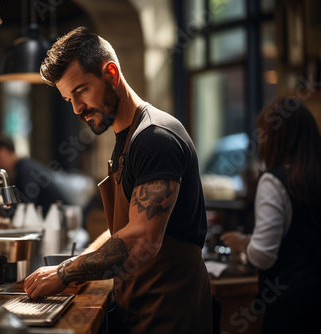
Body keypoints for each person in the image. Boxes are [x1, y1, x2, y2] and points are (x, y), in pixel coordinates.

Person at [23, 26, 213, 333]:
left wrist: (64, 272)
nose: (76, 108)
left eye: (81, 91)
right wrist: (78, 261)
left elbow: (142, 240)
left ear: (111, 72)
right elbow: (124, 229)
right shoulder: (126, 139)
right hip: (142, 304)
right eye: (68, 98)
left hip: (172, 310)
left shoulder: (155, 138)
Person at [220, 97, 321, 334]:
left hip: (292, 306)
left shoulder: (274, 182)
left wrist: (244, 243)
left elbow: (263, 255)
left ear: (275, 138)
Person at [0, 133, 69, 216]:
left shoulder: (25, 170)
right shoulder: (23, 167)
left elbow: (24, 207)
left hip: (62, 219)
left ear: (2, 153)